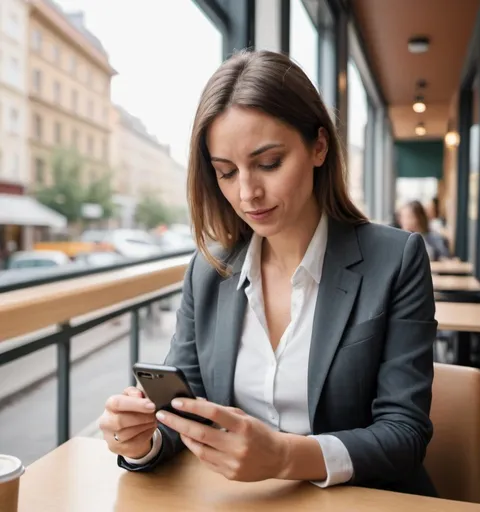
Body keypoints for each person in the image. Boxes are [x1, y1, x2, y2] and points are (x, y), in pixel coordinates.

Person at [99, 50, 437, 496]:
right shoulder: (209, 270)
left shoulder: (395, 259)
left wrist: (283, 456)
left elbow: (405, 435)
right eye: (226, 172)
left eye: (269, 163)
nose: (247, 193)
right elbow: (185, 413)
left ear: (319, 146)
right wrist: (144, 440)